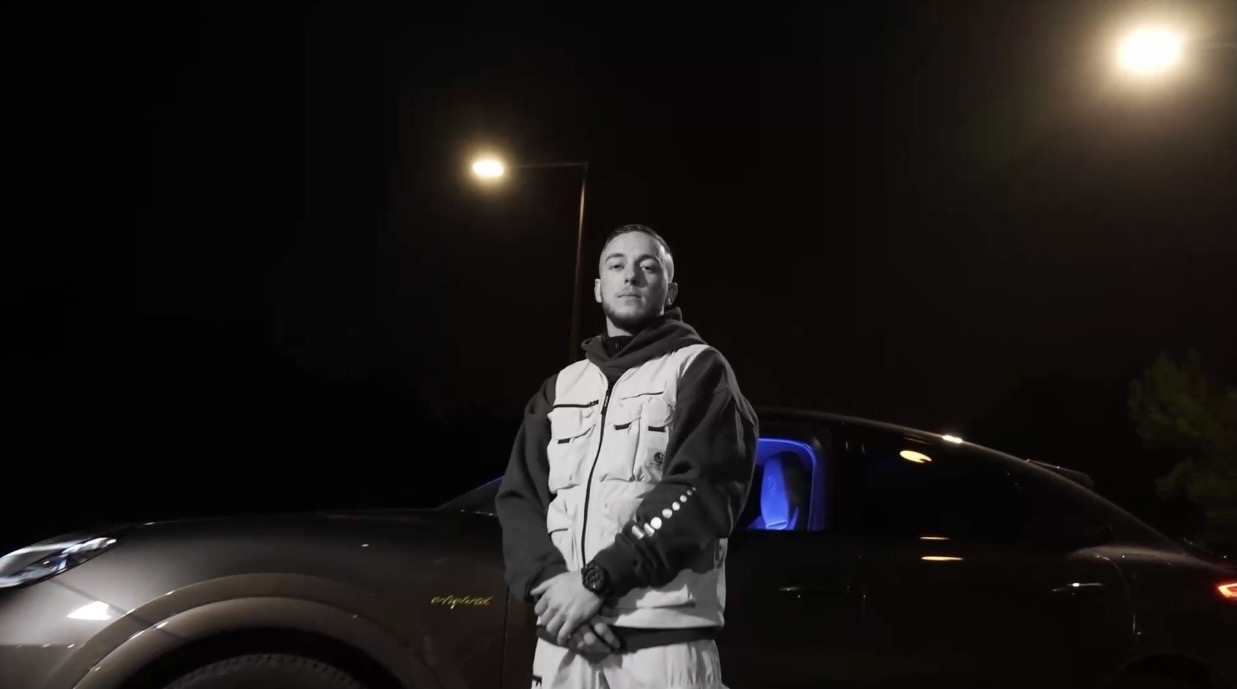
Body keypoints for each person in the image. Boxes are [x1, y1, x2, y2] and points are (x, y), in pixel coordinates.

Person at [496, 223, 759, 689]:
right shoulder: (560, 387)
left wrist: (596, 581)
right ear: (599, 289)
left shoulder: (699, 368)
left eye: (647, 267)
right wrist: (554, 591)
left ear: (670, 290)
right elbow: (519, 500)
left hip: (660, 642)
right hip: (565, 640)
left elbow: (699, 491)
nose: (631, 276)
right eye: (616, 266)